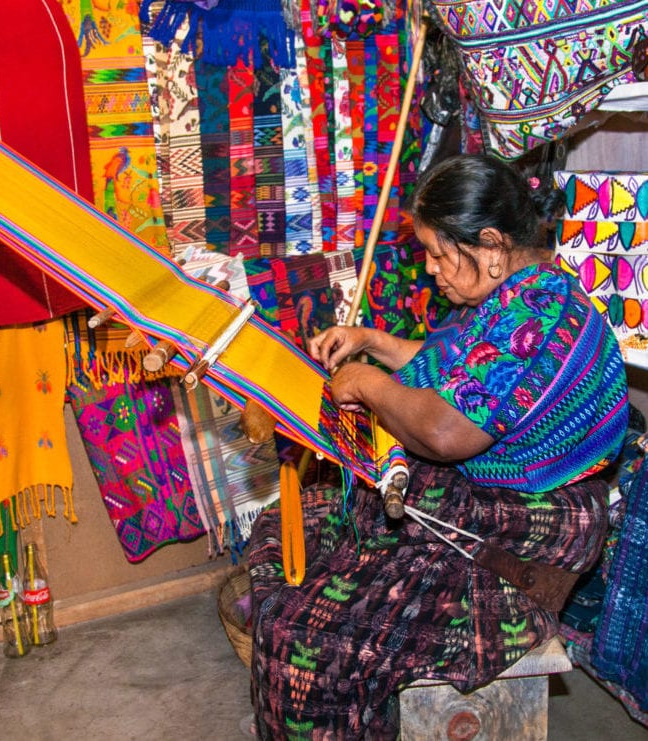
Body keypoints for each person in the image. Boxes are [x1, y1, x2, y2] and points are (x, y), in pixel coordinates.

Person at [247, 154, 629, 739]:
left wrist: (369, 383)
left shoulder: (539, 314)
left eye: (436, 252)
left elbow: (447, 430)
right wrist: (372, 340)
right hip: (486, 502)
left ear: (492, 245)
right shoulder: (523, 297)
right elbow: (455, 372)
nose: (429, 270)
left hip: (525, 534)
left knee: (311, 638)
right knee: (292, 528)